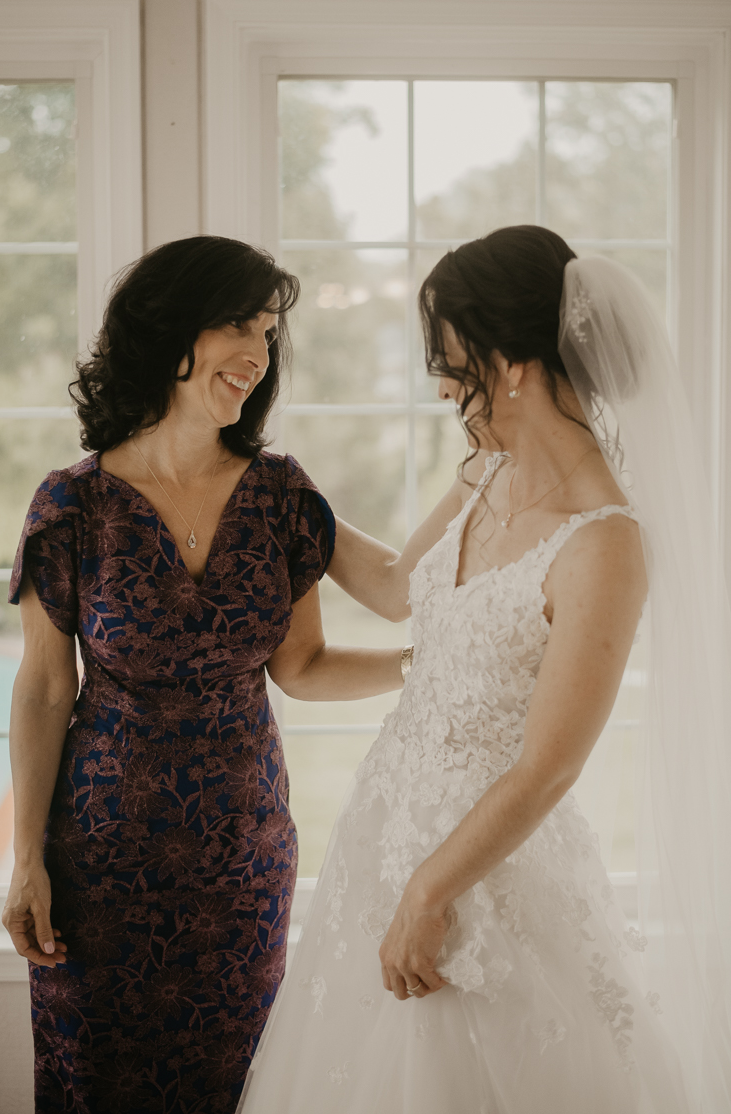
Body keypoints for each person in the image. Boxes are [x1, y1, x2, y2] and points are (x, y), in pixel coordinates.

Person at [239, 226, 731, 1113]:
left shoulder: (606, 543)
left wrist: (431, 888)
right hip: (382, 833)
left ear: (510, 363)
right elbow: (394, 590)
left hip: (486, 870)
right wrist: (287, 496)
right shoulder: (482, 470)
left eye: (448, 360)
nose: (438, 384)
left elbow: (550, 764)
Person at [1, 236, 406, 1114]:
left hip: (242, 868)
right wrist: (26, 857)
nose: (259, 353)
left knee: (237, 1086)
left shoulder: (281, 496)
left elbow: (310, 660)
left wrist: (424, 667)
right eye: (238, 325)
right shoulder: (70, 506)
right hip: (100, 865)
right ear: (169, 332)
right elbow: (42, 689)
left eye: (269, 331)